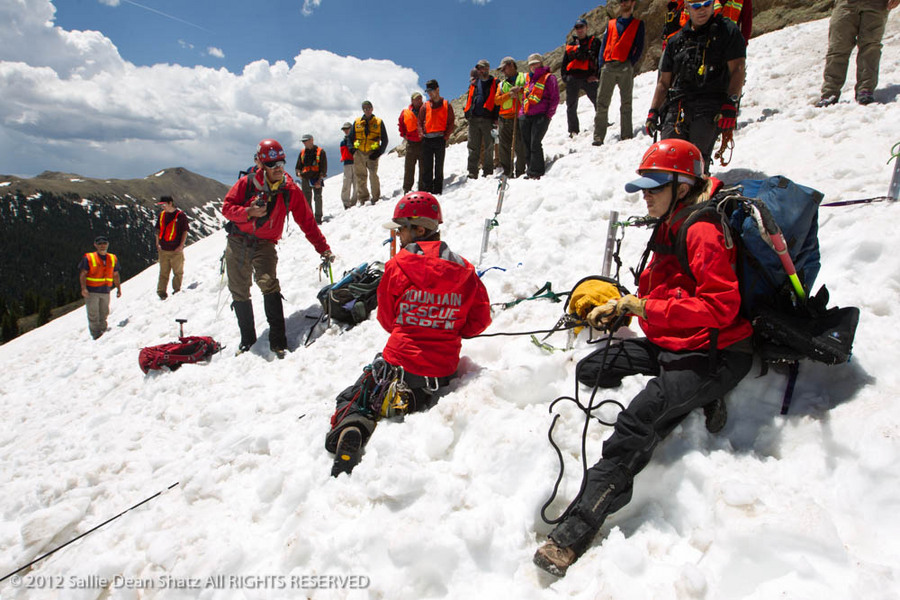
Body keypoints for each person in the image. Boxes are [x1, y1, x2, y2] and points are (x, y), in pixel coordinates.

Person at [532, 139, 754, 577]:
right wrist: (622, 304)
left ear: (683, 185)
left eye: (654, 186)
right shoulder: (670, 221)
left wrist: (644, 309)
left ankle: (575, 531)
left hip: (717, 350)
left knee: (639, 420)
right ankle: (694, 396)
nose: (645, 195)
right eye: (643, 187)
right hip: (674, 339)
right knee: (592, 367)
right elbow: (662, 286)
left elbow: (721, 307)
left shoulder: (701, 229)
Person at [325, 192, 491, 476]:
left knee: (353, 398)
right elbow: (478, 322)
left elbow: (387, 320)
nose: (398, 236)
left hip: (397, 368)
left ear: (420, 229)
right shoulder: (465, 270)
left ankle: (353, 425)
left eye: (401, 229)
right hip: (440, 376)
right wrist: (446, 324)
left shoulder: (396, 266)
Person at [222, 139, 334, 358]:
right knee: (239, 288)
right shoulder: (246, 184)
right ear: (262, 165)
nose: (278, 168)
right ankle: (247, 340)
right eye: (273, 165)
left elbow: (307, 222)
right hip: (238, 240)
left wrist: (323, 249)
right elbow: (227, 208)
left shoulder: (289, 190)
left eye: (281, 162)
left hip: (265, 243)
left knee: (268, 283)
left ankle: (278, 341)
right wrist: (247, 213)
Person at [645, 0, 746, 173]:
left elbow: (737, 69)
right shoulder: (676, 41)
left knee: (696, 160)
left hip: (710, 105)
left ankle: (697, 196)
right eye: (697, 6)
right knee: (668, 159)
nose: (702, 10)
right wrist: (654, 111)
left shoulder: (727, 31)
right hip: (677, 108)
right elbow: (663, 82)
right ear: (687, 8)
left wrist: (731, 103)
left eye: (707, 5)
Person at [816, 0, 899, 107]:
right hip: (846, 4)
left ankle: (865, 90)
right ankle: (830, 93)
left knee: (870, 47)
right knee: (838, 47)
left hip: (877, 4)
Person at [593, 0, 645, 146]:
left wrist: (631, 62)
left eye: (626, 1)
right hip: (608, 66)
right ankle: (598, 137)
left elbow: (639, 46)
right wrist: (602, 64)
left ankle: (626, 135)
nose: (623, 3)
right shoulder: (611, 24)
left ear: (633, 3)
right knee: (602, 103)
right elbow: (604, 45)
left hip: (625, 66)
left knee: (626, 103)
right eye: (621, 1)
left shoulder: (638, 24)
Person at [520, 53, 559, 180]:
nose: (533, 66)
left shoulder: (549, 77)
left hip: (541, 115)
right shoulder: (528, 80)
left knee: (535, 142)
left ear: (541, 63)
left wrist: (549, 114)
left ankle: (537, 171)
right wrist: (521, 114)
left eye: (536, 63)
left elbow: (555, 98)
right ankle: (530, 169)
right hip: (526, 116)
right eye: (531, 64)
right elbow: (525, 99)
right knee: (527, 143)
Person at [562, 18, 601, 138]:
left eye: (581, 27)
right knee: (571, 105)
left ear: (586, 28)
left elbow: (600, 59)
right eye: (577, 27)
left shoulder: (595, 42)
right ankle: (573, 130)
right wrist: (565, 78)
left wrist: (597, 75)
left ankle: (601, 122)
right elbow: (565, 63)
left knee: (598, 100)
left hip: (589, 77)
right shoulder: (571, 46)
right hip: (573, 78)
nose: (580, 29)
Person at [78, 235, 121, 340]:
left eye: (104, 243)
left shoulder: (112, 258)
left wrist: (118, 288)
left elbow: (116, 274)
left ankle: (103, 331)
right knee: (93, 314)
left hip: (106, 290)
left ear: (108, 244)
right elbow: (83, 273)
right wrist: (83, 288)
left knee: (104, 313)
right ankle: (96, 335)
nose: (102, 246)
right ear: (95, 245)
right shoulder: (89, 258)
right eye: (100, 244)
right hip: (92, 291)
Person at [418, 80, 455, 195]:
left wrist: (446, 136)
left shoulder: (446, 104)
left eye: (431, 91)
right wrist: (421, 135)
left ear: (437, 89)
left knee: (439, 167)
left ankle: (438, 191)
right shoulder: (425, 106)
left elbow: (451, 122)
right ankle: (428, 191)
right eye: (428, 91)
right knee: (427, 167)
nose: (429, 93)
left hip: (440, 139)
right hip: (427, 140)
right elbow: (419, 122)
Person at [464, 59, 499, 179]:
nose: (480, 70)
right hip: (474, 119)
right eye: (479, 68)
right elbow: (470, 98)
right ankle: (472, 171)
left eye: (482, 68)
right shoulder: (474, 84)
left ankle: (488, 171)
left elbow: (496, 102)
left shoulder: (495, 82)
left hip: (487, 119)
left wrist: (496, 117)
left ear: (488, 68)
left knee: (489, 146)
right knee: (473, 146)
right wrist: (467, 113)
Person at [494, 57, 527, 178]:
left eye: (504, 68)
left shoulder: (524, 77)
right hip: (504, 118)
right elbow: (496, 100)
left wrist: (521, 90)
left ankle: (520, 171)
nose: (503, 72)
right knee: (504, 146)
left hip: (519, 117)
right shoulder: (502, 85)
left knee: (519, 145)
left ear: (511, 65)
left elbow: (531, 90)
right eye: (501, 70)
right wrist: (509, 95)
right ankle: (507, 171)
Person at [350, 100, 388, 204]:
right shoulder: (357, 122)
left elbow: (385, 139)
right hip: (359, 153)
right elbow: (350, 138)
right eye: (364, 108)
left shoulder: (378, 122)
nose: (367, 110)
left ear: (372, 109)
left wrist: (379, 152)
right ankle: (363, 198)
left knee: (373, 175)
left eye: (368, 108)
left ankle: (376, 197)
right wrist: (352, 149)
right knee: (360, 175)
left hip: (372, 153)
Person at [155, 195, 188, 300]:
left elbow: (184, 231)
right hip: (163, 249)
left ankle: (176, 291)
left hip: (176, 250)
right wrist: (157, 243)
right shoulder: (161, 215)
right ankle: (161, 293)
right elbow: (157, 230)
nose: (162, 207)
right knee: (163, 272)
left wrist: (181, 245)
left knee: (177, 272)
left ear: (170, 203)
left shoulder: (181, 216)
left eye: (163, 204)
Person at [295, 134, 327, 225]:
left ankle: (318, 218)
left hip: (316, 177)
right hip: (305, 178)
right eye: (303, 141)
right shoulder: (302, 153)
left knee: (317, 197)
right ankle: (309, 218)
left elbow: (323, 167)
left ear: (311, 140)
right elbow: (298, 167)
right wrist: (298, 173)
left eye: (305, 141)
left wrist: (319, 179)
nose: (304, 143)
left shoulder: (321, 152)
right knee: (306, 199)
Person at [399, 92, 425, 194]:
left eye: (420, 98)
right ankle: (407, 189)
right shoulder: (405, 112)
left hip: (423, 142)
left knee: (423, 167)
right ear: (412, 101)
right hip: (411, 143)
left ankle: (423, 188)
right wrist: (403, 134)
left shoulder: (426, 110)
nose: (419, 100)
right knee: (409, 167)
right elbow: (401, 123)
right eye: (416, 99)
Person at [339, 122, 357, 209]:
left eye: (347, 129)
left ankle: (355, 201)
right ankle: (346, 203)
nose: (346, 131)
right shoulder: (343, 142)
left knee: (356, 182)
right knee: (346, 182)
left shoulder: (356, 140)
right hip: (347, 163)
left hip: (355, 162)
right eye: (344, 129)